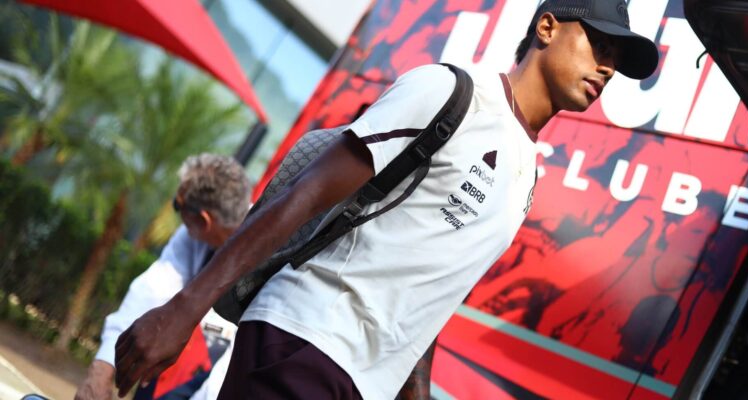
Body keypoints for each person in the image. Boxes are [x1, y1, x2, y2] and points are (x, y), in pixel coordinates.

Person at [113, 1, 660, 398]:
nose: (608, 68)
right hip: (306, 343)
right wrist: (186, 307)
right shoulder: (450, 93)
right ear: (546, 26)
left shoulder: (527, 173)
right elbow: (303, 198)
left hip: (362, 382)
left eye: (616, 58)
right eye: (599, 45)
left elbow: (429, 294)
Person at [75, 154, 250, 400]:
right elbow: (152, 289)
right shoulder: (192, 237)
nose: (177, 215)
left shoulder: (271, 255)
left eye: (178, 206)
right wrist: (103, 366)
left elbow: (238, 359)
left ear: (203, 220)